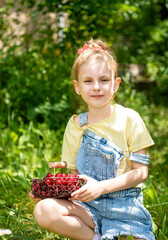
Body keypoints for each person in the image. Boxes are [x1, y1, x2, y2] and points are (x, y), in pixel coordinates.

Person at [30, 39, 155, 240]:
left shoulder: (129, 119)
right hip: (87, 207)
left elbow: (140, 173)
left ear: (116, 84)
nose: (96, 87)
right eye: (88, 81)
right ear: (77, 87)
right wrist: (49, 190)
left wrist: (101, 187)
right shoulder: (75, 125)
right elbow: (74, 176)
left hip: (124, 208)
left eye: (104, 80)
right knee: (44, 209)